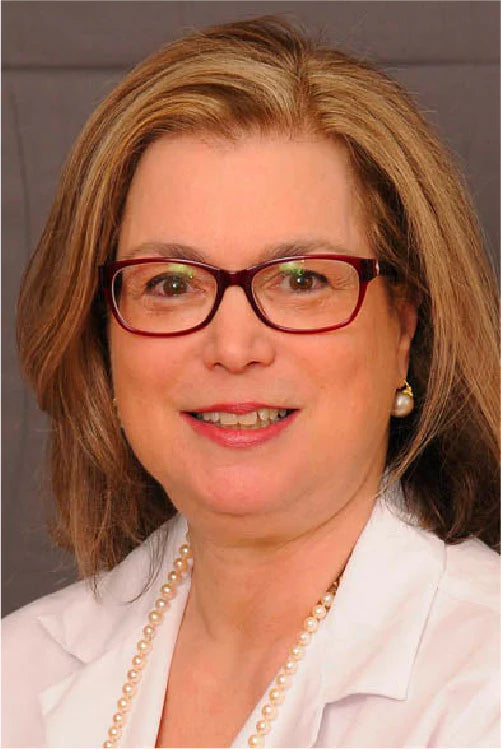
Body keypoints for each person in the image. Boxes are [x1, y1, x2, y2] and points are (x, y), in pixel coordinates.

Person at [2, 15, 499, 749]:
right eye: (170, 283)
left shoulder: (483, 680)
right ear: (102, 335)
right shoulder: (18, 669)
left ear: (402, 332)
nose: (233, 347)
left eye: (301, 280)